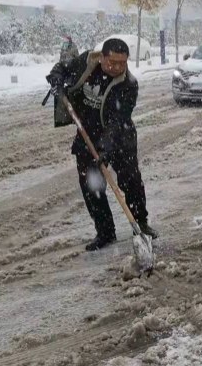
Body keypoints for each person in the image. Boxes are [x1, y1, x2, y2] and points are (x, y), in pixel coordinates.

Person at [46, 38, 157, 251]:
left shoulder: (129, 85)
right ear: (102, 57)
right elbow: (62, 67)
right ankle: (105, 232)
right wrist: (57, 78)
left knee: (131, 181)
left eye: (122, 63)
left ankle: (141, 225)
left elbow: (118, 120)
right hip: (86, 133)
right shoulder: (86, 62)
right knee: (91, 187)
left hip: (119, 137)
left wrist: (106, 149)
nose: (116, 67)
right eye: (112, 62)